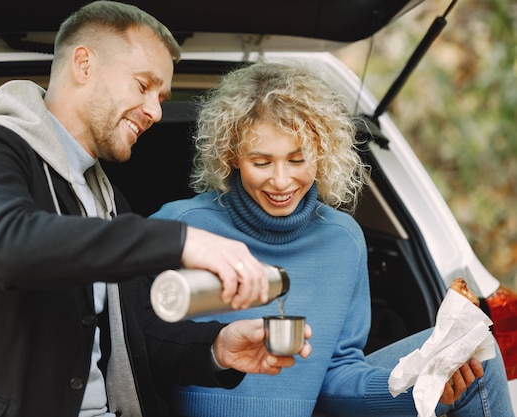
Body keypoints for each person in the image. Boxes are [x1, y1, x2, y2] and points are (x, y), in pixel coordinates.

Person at [0, 3, 312, 417]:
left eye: (160, 97)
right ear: (83, 64)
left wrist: (218, 347)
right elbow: (12, 247)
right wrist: (182, 240)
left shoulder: (102, 195)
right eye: (143, 86)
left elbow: (135, 332)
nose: (155, 111)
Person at [150, 61, 515, 416]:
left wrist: (427, 391)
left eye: (297, 160)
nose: (280, 181)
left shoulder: (343, 239)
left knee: (475, 352)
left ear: (322, 153)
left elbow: (337, 377)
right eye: (261, 162)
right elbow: (131, 354)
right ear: (231, 156)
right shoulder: (180, 227)